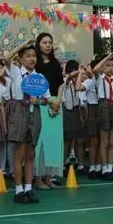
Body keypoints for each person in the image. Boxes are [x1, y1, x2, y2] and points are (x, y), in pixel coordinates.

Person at [1, 38, 50, 204]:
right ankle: (18, 190)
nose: (32, 59)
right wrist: (22, 45)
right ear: (20, 59)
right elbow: (6, 58)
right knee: (19, 153)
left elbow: (46, 99)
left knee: (30, 153)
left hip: (34, 113)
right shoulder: (15, 72)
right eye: (28, 56)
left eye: (34, 56)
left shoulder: (39, 77)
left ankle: (29, 188)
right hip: (19, 110)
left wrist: (41, 102)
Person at [33, 32, 64, 189]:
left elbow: (60, 84)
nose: (47, 45)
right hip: (42, 104)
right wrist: (49, 102)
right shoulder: (35, 64)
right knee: (40, 143)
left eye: (50, 42)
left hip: (56, 105)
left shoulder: (56, 63)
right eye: (44, 42)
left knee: (53, 141)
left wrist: (57, 100)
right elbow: (34, 85)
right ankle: (37, 178)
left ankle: (48, 177)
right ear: (38, 44)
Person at [96, 54, 113, 180]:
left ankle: (110, 167)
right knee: (104, 141)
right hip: (104, 105)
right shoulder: (100, 79)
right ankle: (104, 168)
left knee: (112, 142)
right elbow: (95, 69)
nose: (110, 68)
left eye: (112, 66)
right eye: (107, 66)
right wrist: (105, 59)